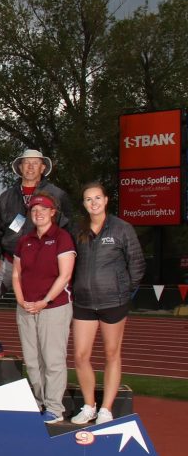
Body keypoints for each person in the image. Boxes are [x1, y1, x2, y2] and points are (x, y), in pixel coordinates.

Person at [70, 182, 145, 425]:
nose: (93, 203)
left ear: (105, 200)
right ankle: (89, 406)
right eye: (88, 199)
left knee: (112, 354)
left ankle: (106, 409)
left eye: (97, 198)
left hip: (114, 302)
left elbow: (137, 264)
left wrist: (123, 290)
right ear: (84, 204)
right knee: (80, 356)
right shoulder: (78, 230)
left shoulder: (122, 228)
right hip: (84, 302)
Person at [12, 193, 76, 423]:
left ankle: (54, 407)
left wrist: (45, 301)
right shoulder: (25, 240)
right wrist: (21, 300)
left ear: (52, 212)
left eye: (43, 209)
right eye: (34, 210)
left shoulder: (62, 237)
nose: (38, 213)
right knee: (32, 361)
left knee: (52, 359)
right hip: (26, 308)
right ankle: (40, 402)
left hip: (53, 307)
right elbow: (17, 274)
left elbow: (65, 275)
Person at [0, 149, 73, 301]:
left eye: (35, 163)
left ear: (43, 168)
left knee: (36, 303)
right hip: (9, 260)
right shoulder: (6, 196)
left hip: (43, 262)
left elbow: (67, 228)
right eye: (26, 163)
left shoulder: (58, 195)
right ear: (20, 167)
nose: (30, 166)